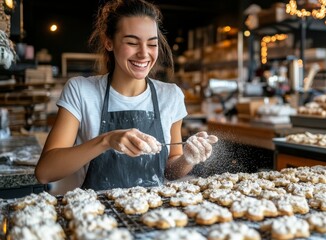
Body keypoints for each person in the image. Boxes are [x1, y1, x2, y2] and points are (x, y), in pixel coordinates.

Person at [35, 0, 218, 193]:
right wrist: (106, 141)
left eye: (152, 44)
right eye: (132, 42)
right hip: (93, 214)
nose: (144, 53)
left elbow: (171, 171)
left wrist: (187, 159)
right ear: (109, 42)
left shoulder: (170, 95)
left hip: (151, 215)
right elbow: (45, 172)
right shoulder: (81, 91)